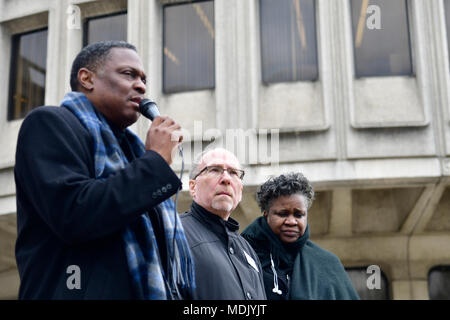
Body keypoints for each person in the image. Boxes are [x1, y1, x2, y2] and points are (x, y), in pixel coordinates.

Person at [14, 41, 195, 299]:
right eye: (128, 74)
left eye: (143, 79)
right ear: (87, 79)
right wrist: (155, 161)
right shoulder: (48, 124)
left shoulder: (133, 153)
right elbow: (74, 214)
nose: (141, 86)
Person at [241, 172, 359, 300]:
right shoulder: (242, 255)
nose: (291, 222)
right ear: (266, 215)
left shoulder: (327, 264)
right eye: (282, 214)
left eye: (298, 215)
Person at [180, 148, 266, 300]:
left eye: (234, 173)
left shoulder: (247, 249)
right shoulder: (175, 233)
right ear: (193, 187)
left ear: (240, 189)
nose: (226, 179)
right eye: (214, 170)